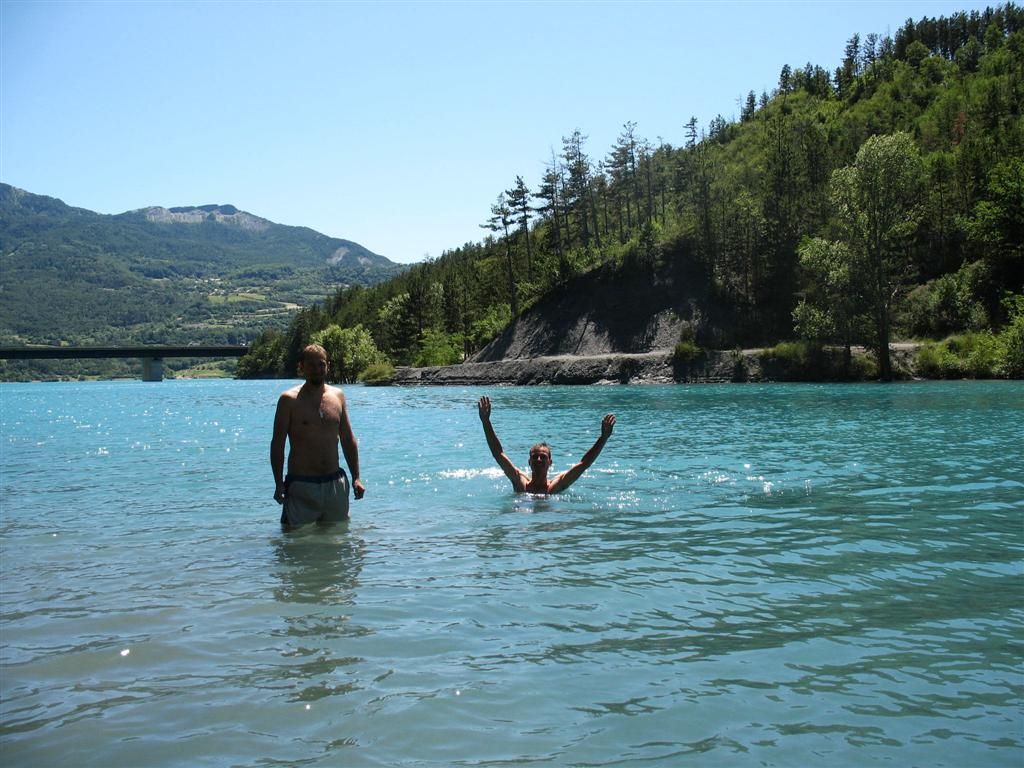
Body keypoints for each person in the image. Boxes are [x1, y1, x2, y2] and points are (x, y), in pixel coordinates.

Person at [271, 344, 365, 527]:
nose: (317, 369)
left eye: (321, 364)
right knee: (294, 544)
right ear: (301, 367)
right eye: (311, 365)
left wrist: (356, 478)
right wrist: (278, 483)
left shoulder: (338, 396)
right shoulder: (288, 400)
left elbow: (347, 438)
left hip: (335, 484)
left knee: (338, 542)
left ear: (328, 366)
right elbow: (277, 445)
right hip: (301, 485)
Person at [477, 395, 615, 494]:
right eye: (535, 457)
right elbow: (498, 454)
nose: (538, 460)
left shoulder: (555, 487)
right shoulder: (520, 483)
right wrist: (486, 422)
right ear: (529, 462)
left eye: (543, 457)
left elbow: (584, 464)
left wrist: (603, 438)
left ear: (550, 462)